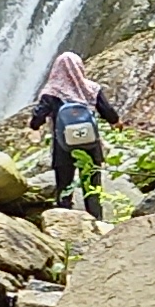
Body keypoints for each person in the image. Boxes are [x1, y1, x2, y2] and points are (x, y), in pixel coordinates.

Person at [29, 51, 115, 202]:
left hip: (63, 145)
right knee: (92, 186)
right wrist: (115, 122)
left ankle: (64, 216)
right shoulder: (92, 88)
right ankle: (96, 218)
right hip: (90, 143)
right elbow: (108, 111)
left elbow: (38, 116)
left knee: (64, 185)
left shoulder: (52, 92)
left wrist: (34, 127)